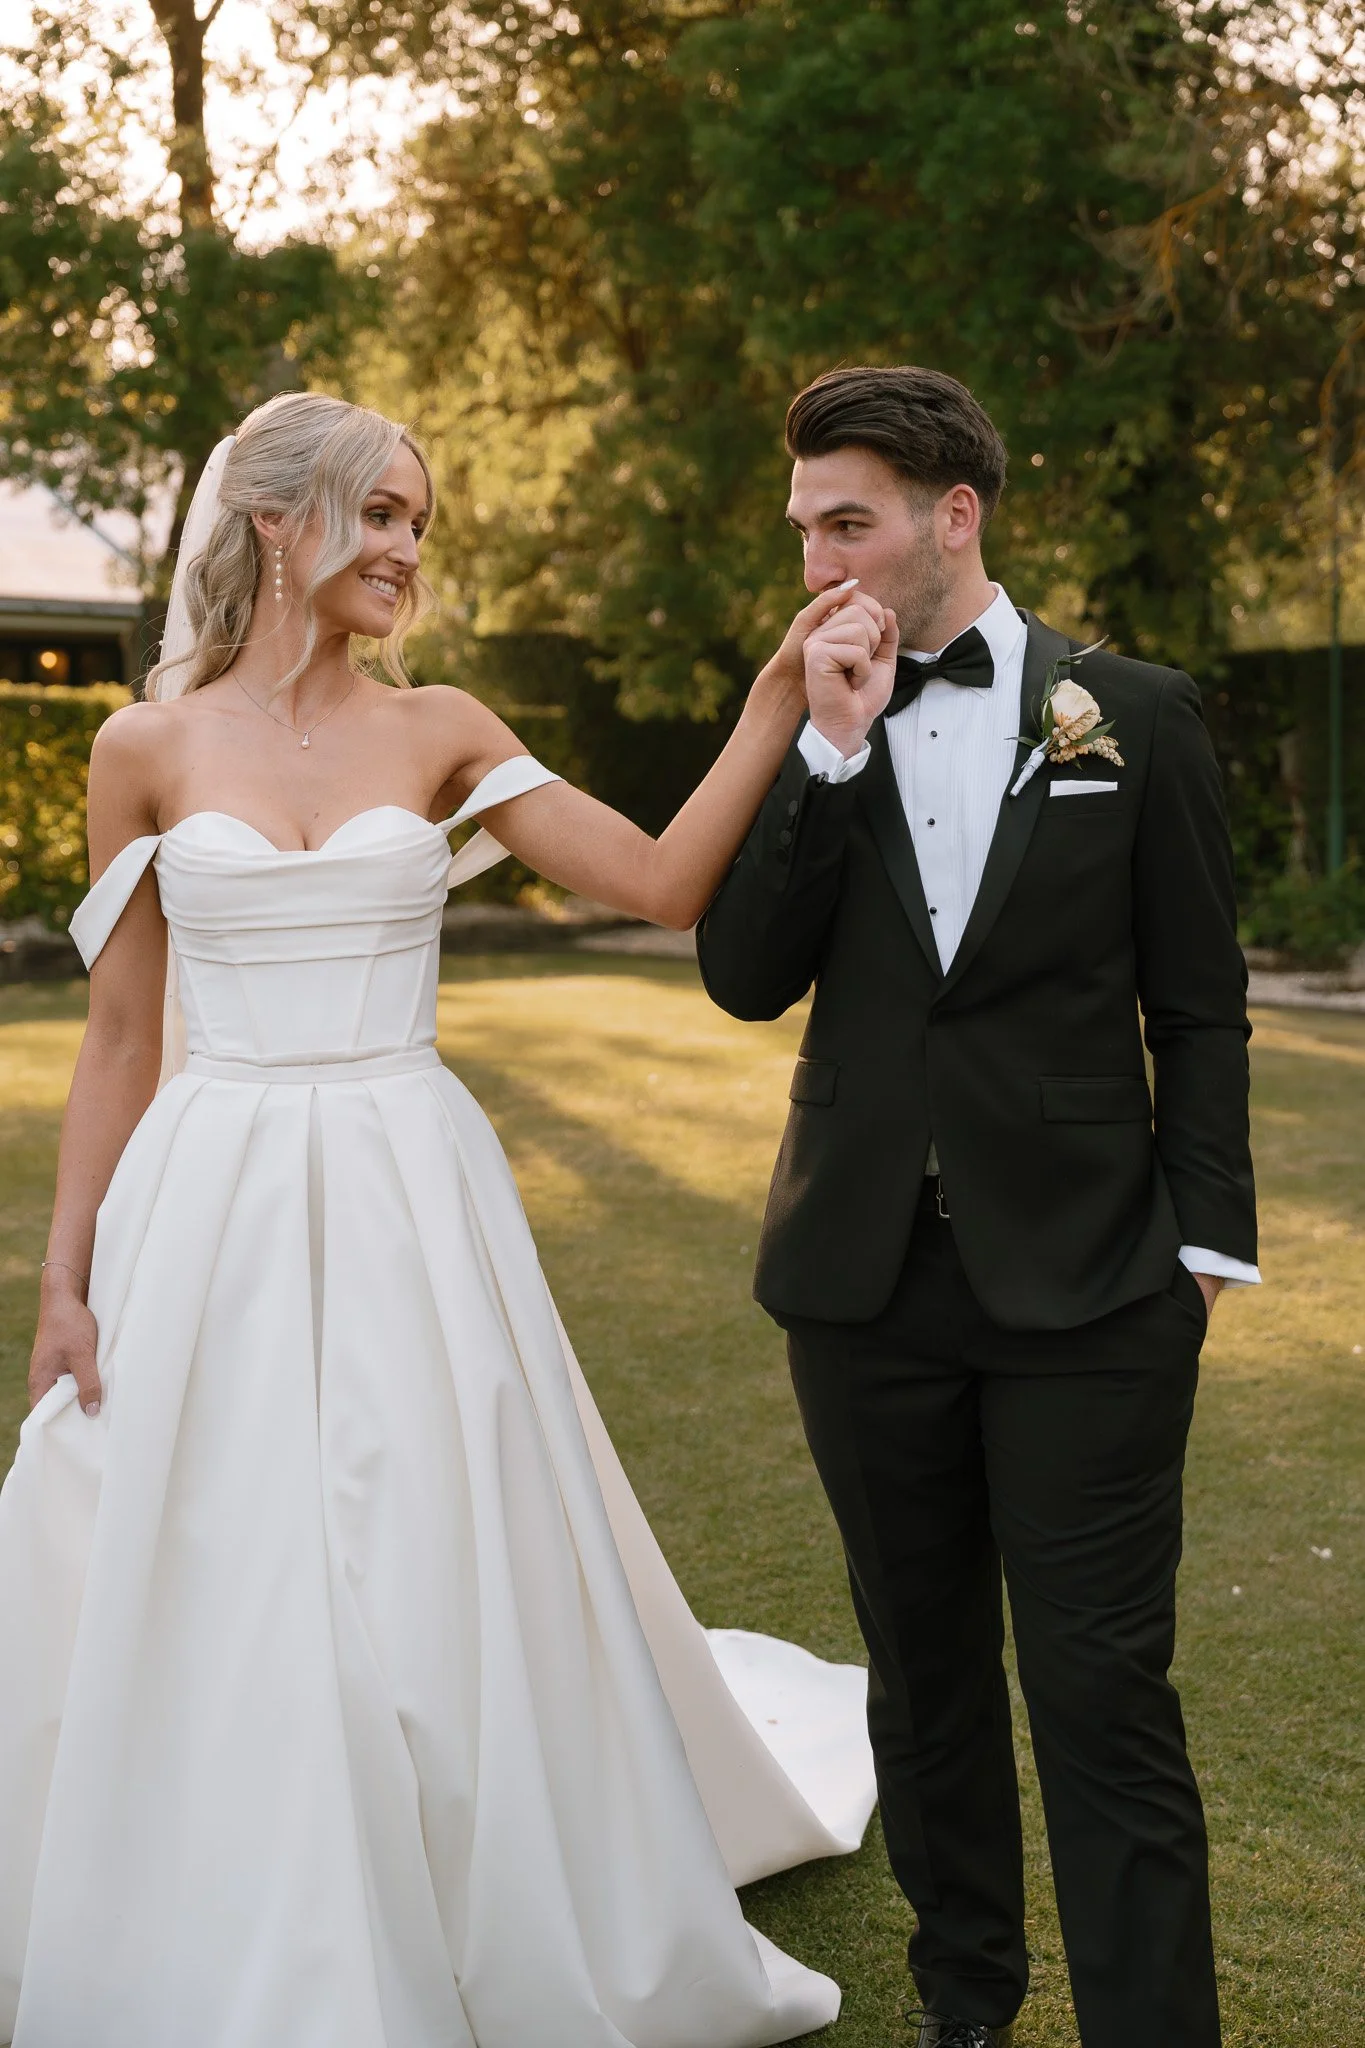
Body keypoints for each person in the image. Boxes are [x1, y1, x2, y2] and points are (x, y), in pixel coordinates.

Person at [0, 391, 879, 2048]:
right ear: (278, 522)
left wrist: (774, 700)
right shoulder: (145, 748)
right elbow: (119, 1038)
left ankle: (476, 1883)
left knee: (424, 1538)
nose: (409, 550)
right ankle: (258, 1909)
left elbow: (664, 881)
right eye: (382, 516)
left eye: (420, 522)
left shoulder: (448, 728)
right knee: (222, 1550)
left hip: (412, 1183)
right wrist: (65, 1279)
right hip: (215, 1197)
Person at [697, 365, 1260, 2048]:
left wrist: (1204, 1245)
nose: (818, 563)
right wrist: (829, 751)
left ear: (957, 515)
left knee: (1100, 1691)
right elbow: (741, 974)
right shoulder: (815, 711)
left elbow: (1203, 1001)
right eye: (803, 529)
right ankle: (966, 2004)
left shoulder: (1134, 714)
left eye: (847, 522)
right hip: (861, 1290)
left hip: (1095, 1286)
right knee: (924, 1680)